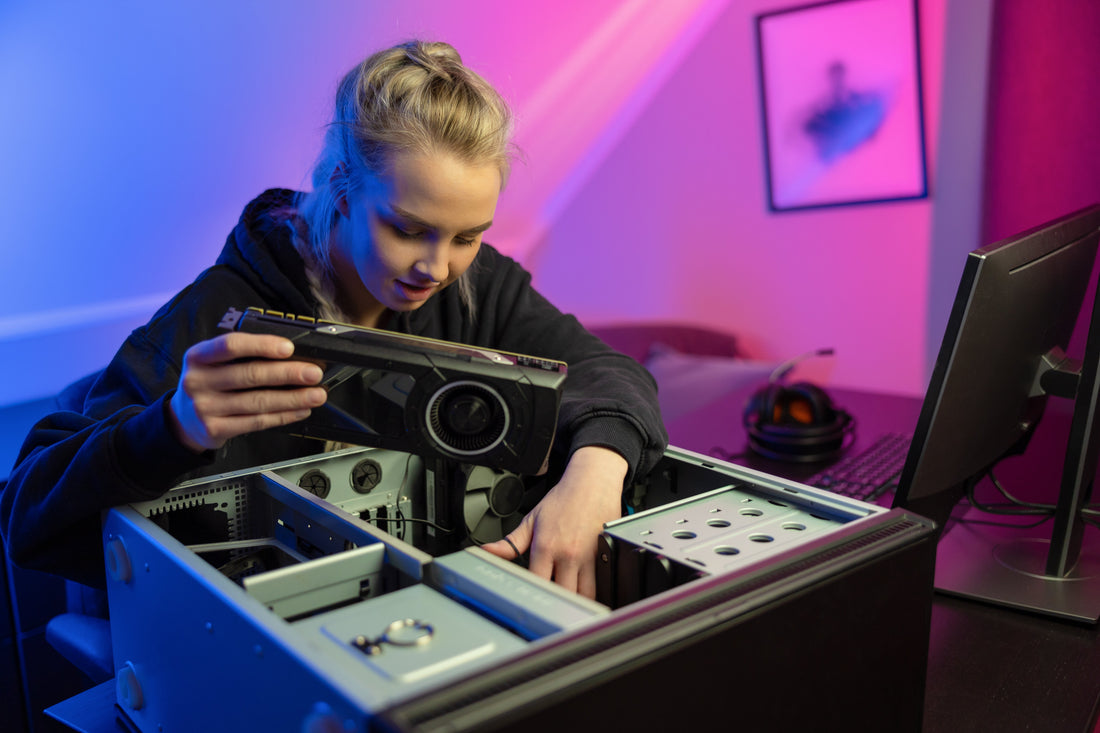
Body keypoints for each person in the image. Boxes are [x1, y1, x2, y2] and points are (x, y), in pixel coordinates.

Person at [0, 40, 667, 600]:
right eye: (408, 229)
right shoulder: (217, 315)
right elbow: (27, 511)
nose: (437, 268)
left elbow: (608, 372)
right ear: (343, 191)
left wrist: (596, 473)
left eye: (467, 236)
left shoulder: (478, 285)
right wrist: (171, 426)